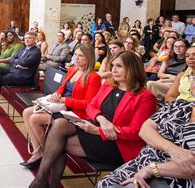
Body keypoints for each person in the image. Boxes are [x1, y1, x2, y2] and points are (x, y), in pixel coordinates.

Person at [29, 51, 157, 188]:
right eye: (113, 65)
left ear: (132, 68)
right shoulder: (109, 85)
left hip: (117, 143)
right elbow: (91, 106)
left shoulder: (145, 97)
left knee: (57, 143)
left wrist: (97, 131)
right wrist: (101, 119)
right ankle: (41, 180)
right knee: (59, 125)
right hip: (96, 124)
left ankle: (42, 182)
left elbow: (136, 132)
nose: (113, 69)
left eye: (119, 66)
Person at [97, 85, 195, 187]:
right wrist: (173, 149)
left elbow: (192, 168)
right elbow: (145, 130)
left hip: (171, 177)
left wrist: (151, 169)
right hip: (141, 163)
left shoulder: (144, 96)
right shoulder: (180, 105)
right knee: (104, 184)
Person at [21, 44, 101, 169]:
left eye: (81, 55)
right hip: (61, 105)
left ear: (89, 57)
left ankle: (48, 153)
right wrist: (57, 94)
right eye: (76, 55)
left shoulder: (93, 77)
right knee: (26, 112)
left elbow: (88, 104)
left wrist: (65, 100)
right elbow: (62, 87)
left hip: (75, 112)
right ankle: (39, 152)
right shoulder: (73, 69)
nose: (77, 58)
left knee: (34, 118)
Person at [0, 32, 41, 113]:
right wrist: (17, 63)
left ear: (34, 40)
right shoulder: (23, 49)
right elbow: (12, 59)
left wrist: (17, 62)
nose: (26, 39)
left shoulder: (36, 52)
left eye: (29, 38)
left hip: (23, 76)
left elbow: (24, 63)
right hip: (16, 70)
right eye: (26, 38)